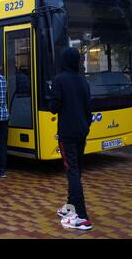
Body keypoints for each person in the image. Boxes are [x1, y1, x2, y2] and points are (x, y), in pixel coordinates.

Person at [49, 47, 93, 231]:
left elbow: (53, 107)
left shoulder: (59, 80)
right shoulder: (83, 81)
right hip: (82, 132)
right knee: (76, 169)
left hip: (67, 133)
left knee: (72, 170)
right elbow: (88, 110)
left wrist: (51, 94)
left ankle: (82, 216)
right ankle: (70, 207)